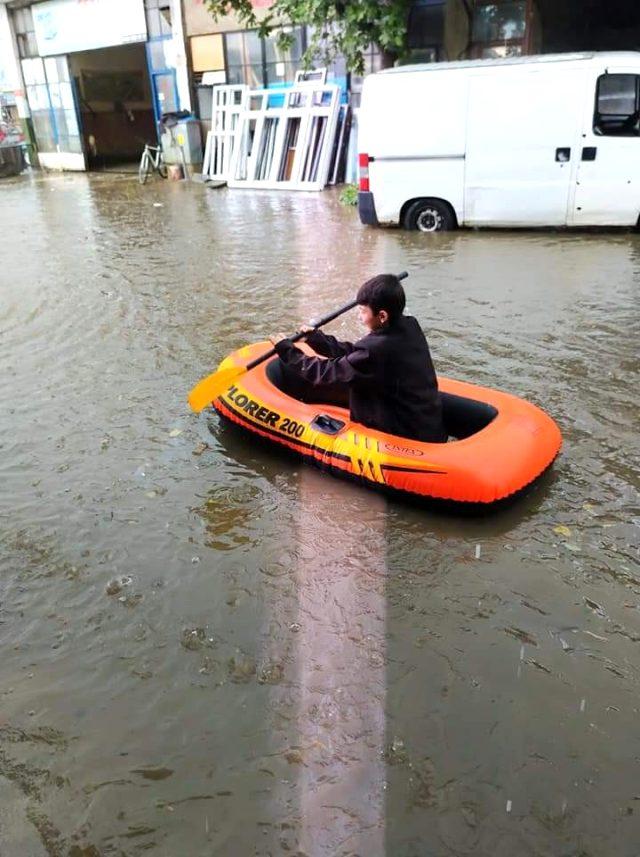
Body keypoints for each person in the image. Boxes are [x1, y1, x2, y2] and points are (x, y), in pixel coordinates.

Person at [269, 273, 447, 443]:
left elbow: (326, 373)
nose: (359, 316)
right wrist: (316, 339)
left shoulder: (375, 349)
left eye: (362, 311)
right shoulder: (409, 325)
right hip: (426, 425)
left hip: (405, 434)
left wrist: (287, 351)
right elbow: (357, 355)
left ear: (382, 316)